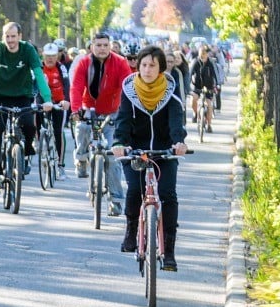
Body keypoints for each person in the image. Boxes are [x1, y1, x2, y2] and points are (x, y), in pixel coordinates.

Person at [111, 46, 187, 271]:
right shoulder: (129, 90)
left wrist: (178, 142)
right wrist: (119, 144)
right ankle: (131, 231)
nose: (147, 69)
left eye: (152, 65)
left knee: (168, 195)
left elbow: (176, 121)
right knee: (135, 190)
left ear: (161, 68)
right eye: (143, 64)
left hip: (164, 152)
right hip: (135, 151)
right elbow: (122, 119)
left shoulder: (170, 91)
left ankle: (170, 251)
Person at [0, 22, 52, 189]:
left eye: (13, 36)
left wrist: (47, 99)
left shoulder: (28, 50)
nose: (10, 40)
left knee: (29, 125)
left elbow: (39, 74)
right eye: (7, 36)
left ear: (20, 36)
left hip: (22, 95)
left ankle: (24, 155)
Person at [69, 31, 129, 216]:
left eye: (105, 45)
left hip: (112, 111)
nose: (102, 49)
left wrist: (127, 112)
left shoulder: (120, 62)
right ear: (92, 46)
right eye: (98, 45)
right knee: (82, 128)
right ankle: (81, 158)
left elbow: (127, 86)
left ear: (110, 46)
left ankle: (116, 200)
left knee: (112, 156)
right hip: (90, 107)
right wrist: (76, 109)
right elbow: (77, 87)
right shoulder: (84, 63)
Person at [39, 42, 72, 178]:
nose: (50, 59)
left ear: (57, 56)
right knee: (38, 123)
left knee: (58, 131)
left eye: (53, 56)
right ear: (43, 56)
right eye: (47, 56)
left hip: (59, 101)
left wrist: (66, 100)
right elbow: (34, 85)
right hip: (43, 101)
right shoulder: (39, 67)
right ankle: (39, 143)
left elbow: (66, 84)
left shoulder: (62, 67)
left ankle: (60, 165)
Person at [189, 45, 218, 130]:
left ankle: (209, 125)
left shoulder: (211, 63)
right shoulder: (195, 62)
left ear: (207, 54)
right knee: (193, 100)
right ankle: (195, 113)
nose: (202, 55)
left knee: (209, 105)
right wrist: (188, 86)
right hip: (197, 86)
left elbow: (216, 75)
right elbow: (190, 74)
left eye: (204, 53)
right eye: (201, 53)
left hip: (208, 87)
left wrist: (217, 85)